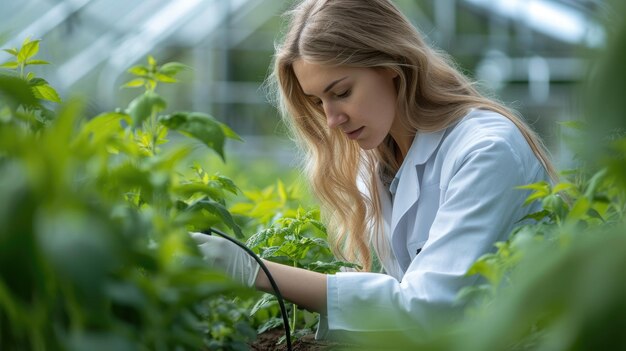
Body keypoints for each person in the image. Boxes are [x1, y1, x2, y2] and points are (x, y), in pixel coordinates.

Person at [191, 0, 556, 343]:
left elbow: (428, 310)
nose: (332, 120)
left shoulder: (486, 150)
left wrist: (256, 271)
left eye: (342, 92)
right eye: (319, 102)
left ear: (391, 66)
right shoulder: (380, 158)